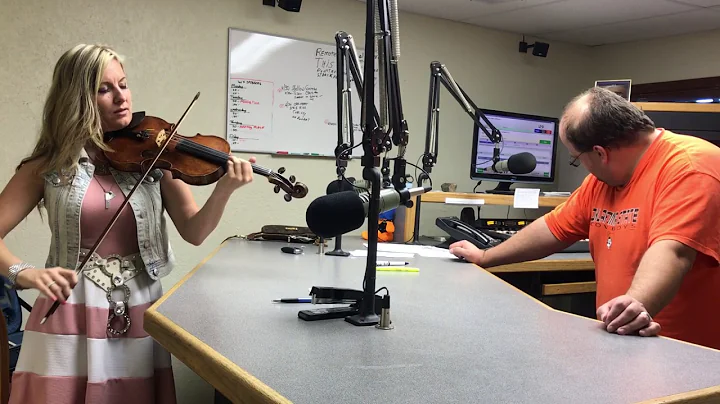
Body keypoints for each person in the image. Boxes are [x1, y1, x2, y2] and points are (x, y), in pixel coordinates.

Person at [0, 44, 255, 403]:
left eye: (124, 84)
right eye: (104, 89)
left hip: (138, 308)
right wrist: (24, 273)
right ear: (77, 99)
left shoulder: (157, 154)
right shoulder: (49, 165)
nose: (122, 97)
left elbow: (195, 232)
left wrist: (225, 189)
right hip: (68, 308)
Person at [450, 87, 720, 350]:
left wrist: (636, 304)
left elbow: (673, 250)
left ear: (600, 153)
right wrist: (487, 256)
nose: (579, 165)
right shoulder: (601, 181)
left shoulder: (690, 167)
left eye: (576, 158)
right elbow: (553, 228)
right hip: (622, 339)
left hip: (684, 351)